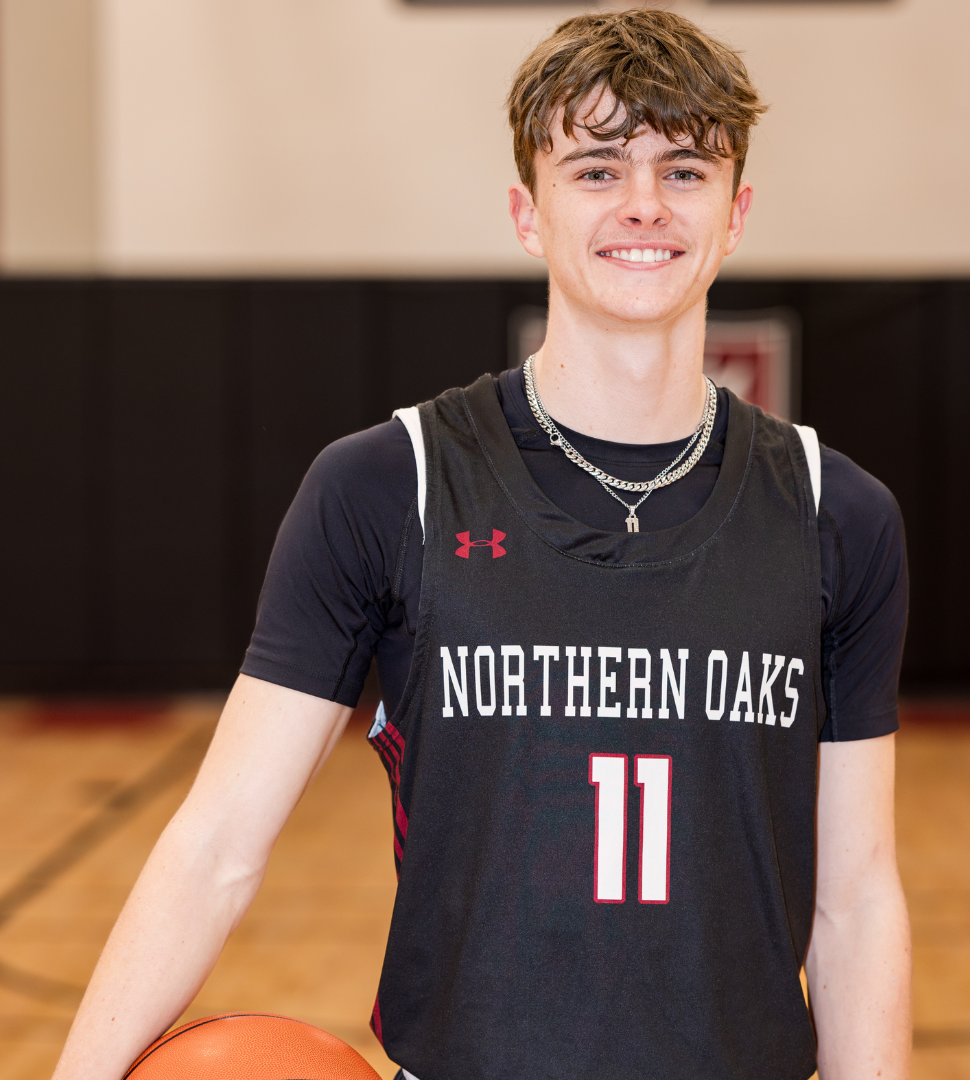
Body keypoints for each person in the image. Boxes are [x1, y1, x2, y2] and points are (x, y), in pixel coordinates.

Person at [53, 10, 911, 1080]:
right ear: (525, 211)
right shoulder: (387, 486)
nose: (644, 204)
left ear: (735, 214)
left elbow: (857, 892)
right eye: (596, 170)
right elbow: (218, 844)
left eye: (684, 169)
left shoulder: (838, 513)